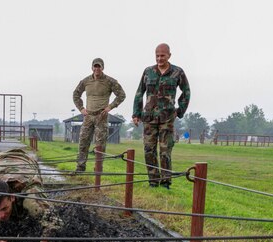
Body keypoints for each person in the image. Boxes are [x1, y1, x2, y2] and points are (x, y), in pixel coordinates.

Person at [132, 43, 191, 189]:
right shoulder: (148, 72)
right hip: (149, 118)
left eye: (162, 55)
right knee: (149, 150)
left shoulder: (177, 72)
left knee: (165, 151)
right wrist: (136, 114)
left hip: (167, 118)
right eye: (157, 56)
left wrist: (180, 110)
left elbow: (186, 92)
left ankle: (165, 182)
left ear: (169, 55)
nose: (159, 58)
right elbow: (139, 92)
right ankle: (153, 181)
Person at [72, 58, 126, 173]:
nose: (97, 69)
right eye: (95, 66)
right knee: (83, 142)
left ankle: (98, 170)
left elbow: (121, 95)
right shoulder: (85, 81)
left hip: (101, 116)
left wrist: (110, 107)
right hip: (88, 116)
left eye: (99, 66)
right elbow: (76, 94)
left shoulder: (110, 81)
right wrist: (81, 108)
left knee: (100, 145)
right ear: (92, 67)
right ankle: (80, 168)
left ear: (102, 68)